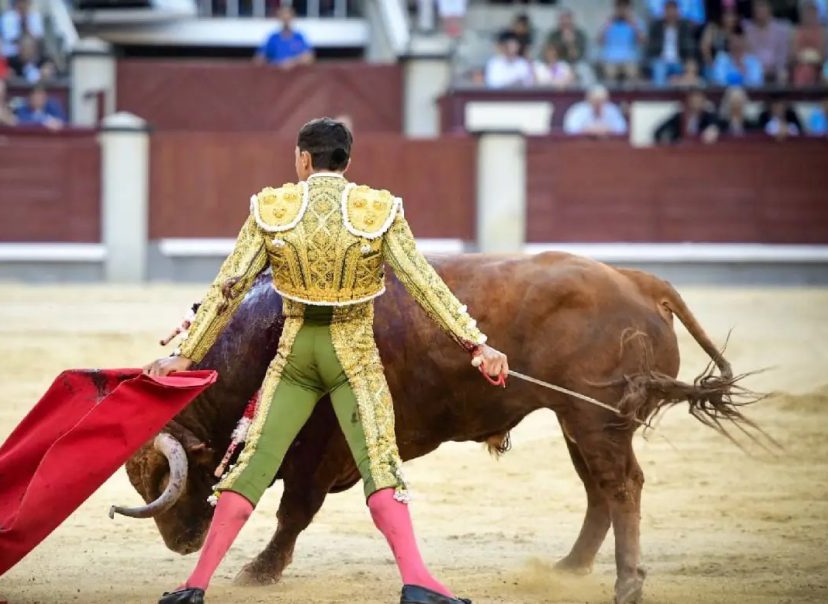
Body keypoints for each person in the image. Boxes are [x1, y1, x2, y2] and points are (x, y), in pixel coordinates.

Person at [145, 117, 508, 604]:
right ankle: (418, 581)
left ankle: (194, 585)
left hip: (296, 354)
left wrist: (186, 354)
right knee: (380, 465)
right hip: (352, 355)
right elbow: (424, 284)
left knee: (252, 465)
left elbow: (228, 287)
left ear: (303, 159)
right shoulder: (377, 209)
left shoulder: (272, 208)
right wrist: (477, 345)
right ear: (347, 161)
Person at [647, 0, 701, 86]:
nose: (671, 14)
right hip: (661, 60)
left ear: (678, 12)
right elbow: (650, 47)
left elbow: (689, 47)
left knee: (690, 67)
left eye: (673, 10)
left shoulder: (685, 26)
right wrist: (658, 55)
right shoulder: (656, 26)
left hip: (679, 61)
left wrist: (688, 60)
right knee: (659, 68)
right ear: (664, 12)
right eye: (668, 10)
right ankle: (661, 92)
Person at [598, 0, 646, 83]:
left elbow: (642, 41)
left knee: (632, 74)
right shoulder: (609, 22)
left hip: (630, 58)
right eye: (619, 7)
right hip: (610, 58)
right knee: (610, 74)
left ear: (629, 9)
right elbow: (599, 41)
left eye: (624, 7)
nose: (622, 10)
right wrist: (608, 25)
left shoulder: (636, 22)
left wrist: (633, 25)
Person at [746, 0, 793, 83]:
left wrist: (775, 69)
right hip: (754, 72)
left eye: (762, 6)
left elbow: (783, 54)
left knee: (783, 74)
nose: (759, 10)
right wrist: (758, 69)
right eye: (757, 7)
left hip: (776, 70)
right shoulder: (747, 29)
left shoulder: (781, 29)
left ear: (770, 8)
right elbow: (747, 55)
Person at [654, 88, 720, 144]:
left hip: (702, 150)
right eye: (694, 99)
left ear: (704, 101)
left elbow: (720, 126)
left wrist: (714, 129)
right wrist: (667, 137)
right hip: (681, 150)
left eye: (699, 99)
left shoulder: (709, 117)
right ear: (688, 100)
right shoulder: (679, 117)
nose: (696, 102)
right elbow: (659, 132)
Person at [563, 84, 628, 136]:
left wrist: (609, 129)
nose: (599, 103)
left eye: (602, 100)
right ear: (588, 99)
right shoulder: (578, 110)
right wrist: (588, 130)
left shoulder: (612, 110)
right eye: (596, 100)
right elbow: (570, 129)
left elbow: (622, 129)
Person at [792, 0, 828, 84]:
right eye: (807, 13)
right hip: (799, 65)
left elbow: (823, 54)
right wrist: (804, 59)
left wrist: (812, 59)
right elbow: (794, 54)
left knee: (809, 70)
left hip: (818, 67)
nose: (810, 16)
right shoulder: (797, 31)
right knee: (804, 70)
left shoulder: (822, 32)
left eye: (812, 13)